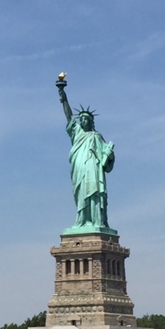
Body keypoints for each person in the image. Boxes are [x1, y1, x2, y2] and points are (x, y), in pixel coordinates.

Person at [58, 84, 115, 229]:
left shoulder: (96, 136)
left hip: (93, 169)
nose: (82, 121)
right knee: (82, 194)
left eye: (85, 119)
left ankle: (97, 221)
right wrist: (64, 99)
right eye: (81, 119)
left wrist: (109, 154)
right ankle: (82, 220)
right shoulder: (77, 133)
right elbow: (68, 116)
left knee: (94, 193)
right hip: (79, 169)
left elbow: (106, 160)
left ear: (91, 121)